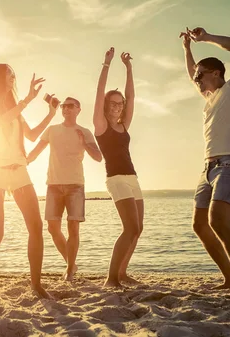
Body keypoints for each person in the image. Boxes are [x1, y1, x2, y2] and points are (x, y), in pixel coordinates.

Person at [179, 27, 230, 297]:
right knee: (200, 225)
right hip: (208, 168)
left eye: (201, 75)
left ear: (216, 73)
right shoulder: (209, 99)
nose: (196, 79)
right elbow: (190, 72)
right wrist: (187, 49)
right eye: (196, 76)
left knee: (219, 223)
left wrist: (206, 38)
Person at [0, 64, 55, 302]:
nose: (13, 77)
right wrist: (27, 100)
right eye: (9, 73)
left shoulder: (15, 109)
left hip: (19, 171)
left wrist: (51, 114)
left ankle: (36, 284)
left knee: (36, 227)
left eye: (14, 73)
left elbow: (31, 136)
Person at [27, 96, 102, 281]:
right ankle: (71, 263)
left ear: (78, 109)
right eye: (63, 106)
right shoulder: (52, 130)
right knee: (53, 228)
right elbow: (36, 151)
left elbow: (98, 157)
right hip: (53, 185)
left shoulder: (84, 132)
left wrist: (84, 143)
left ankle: (69, 271)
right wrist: (22, 162)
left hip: (75, 185)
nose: (66, 109)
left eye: (70, 106)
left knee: (73, 229)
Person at [93, 47, 143, 288]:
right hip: (116, 179)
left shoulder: (124, 124)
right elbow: (99, 93)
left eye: (120, 103)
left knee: (138, 229)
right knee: (130, 228)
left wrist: (129, 68)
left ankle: (122, 273)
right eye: (113, 103)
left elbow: (132, 98)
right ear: (105, 105)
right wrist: (106, 64)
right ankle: (111, 278)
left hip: (133, 178)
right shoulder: (101, 125)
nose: (118, 106)